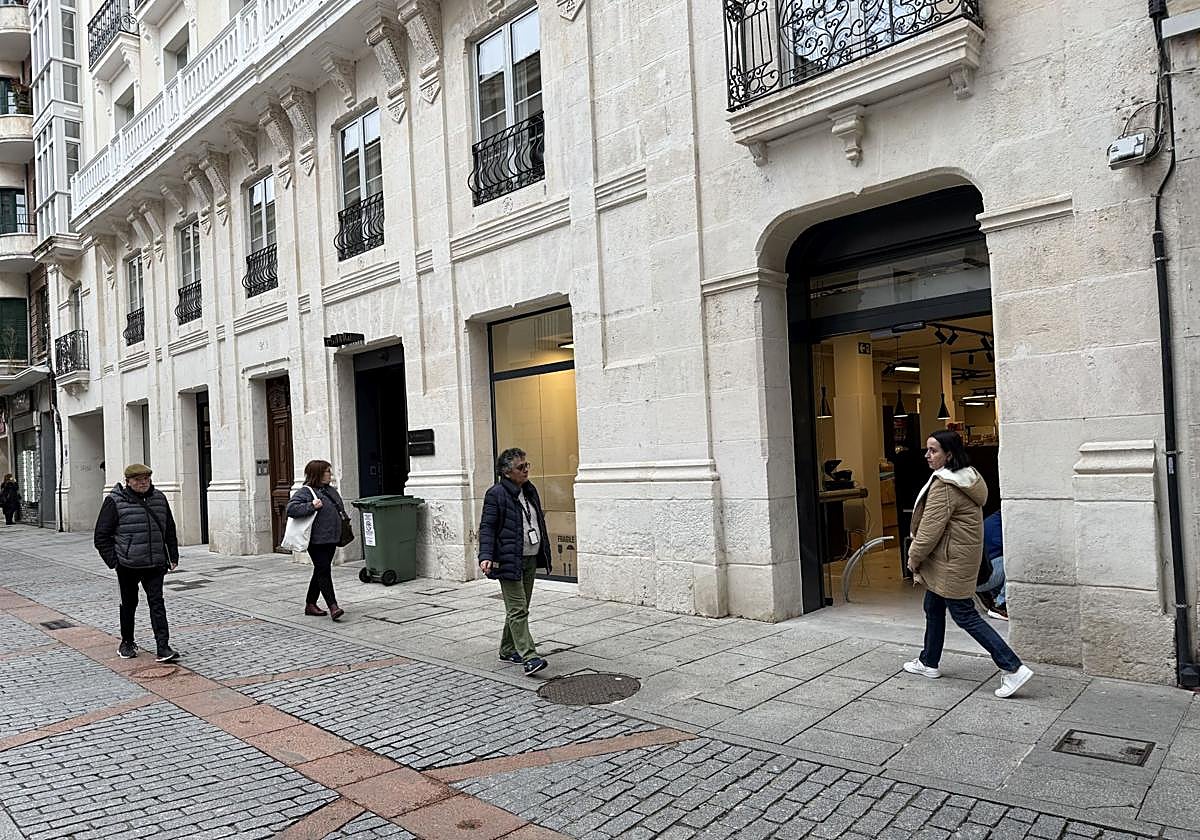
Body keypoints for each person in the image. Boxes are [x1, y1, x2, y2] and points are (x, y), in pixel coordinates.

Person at [902, 430, 1033, 699]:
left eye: (934, 450)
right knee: (933, 606)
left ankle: (1013, 668)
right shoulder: (968, 477)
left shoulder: (946, 485)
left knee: (965, 615)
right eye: (927, 450)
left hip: (950, 563)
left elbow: (929, 531)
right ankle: (928, 661)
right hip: (956, 559)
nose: (927, 455)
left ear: (948, 454)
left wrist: (913, 558)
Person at [94, 464, 180, 663]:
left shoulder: (159, 498)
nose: (142, 483)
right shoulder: (114, 501)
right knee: (129, 605)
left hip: (155, 563)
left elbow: (169, 529)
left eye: (146, 479)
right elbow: (101, 536)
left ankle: (163, 647)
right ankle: (127, 642)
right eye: (138, 480)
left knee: (157, 603)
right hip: (127, 565)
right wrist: (115, 562)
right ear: (128, 481)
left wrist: (172, 556)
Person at [478, 447, 551, 676]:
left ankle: (508, 648)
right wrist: (486, 556)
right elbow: (487, 527)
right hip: (508, 558)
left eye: (526, 465)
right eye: (521, 467)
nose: (526, 470)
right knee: (518, 609)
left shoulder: (529, 490)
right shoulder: (496, 494)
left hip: (530, 556)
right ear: (507, 472)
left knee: (520, 608)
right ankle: (530, 657)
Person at [286, 459, 347, 622]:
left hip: (331, 538)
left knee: (321, 570)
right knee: (324, 571)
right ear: (318, 473)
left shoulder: (330, 490)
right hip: (316, 540)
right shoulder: (305, 491)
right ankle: (333, 606)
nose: (330, 475)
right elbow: (291, 509)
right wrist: (311, 506)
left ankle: (310, 604)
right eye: (328, 471)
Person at [976, 510, 1007, 620]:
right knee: (1014, 561)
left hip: (975, 578)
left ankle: (991, 594)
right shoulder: (1002, 525)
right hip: (981, 580)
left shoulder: (991, 520)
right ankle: (1002, 605)